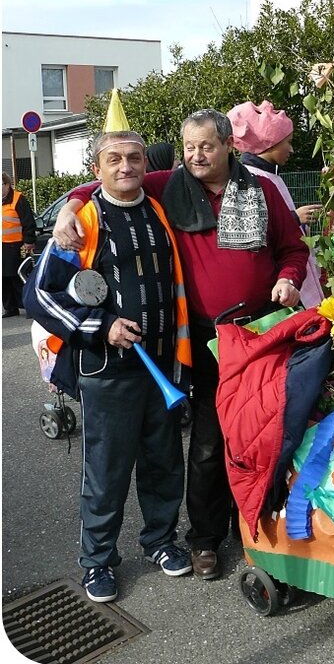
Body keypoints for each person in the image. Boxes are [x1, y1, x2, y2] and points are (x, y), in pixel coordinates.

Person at [52, 108, 309, 582]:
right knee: (209, 442)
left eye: (206, 146)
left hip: (262, 331)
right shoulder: (169, 183)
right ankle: (205, 538)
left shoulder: (264, 189)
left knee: (266, 432)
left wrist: (290, 278)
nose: (195, 155)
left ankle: (258, 525)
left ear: (230, 145)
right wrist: (69, 205)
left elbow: (294, 248)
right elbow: (112, 180)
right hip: (207, 338)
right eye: (188, 146)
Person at [23, 127, 193, 603]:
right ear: (96, 168)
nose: (126, 167)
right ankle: (97, 561)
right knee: (106, 470)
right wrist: (99, 326)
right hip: (106, 371)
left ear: (146, 164)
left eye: (134, 158)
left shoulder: (159, 208)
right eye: (114, 159)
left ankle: (160, 540)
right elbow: (37, 296)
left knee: (163, 462)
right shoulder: (80, 222)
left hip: (162, 365)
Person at [227, 99, 323, 308]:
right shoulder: (250, 178)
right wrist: (294, 218)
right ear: (269, 143)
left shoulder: (270, 175)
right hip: (279, 285)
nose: (292, 149)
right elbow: (253, 229)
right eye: (287, 143)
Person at [2, 171, 36, 318]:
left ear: (7, 184)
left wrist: (29, 241)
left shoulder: (18, 199)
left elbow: (28, 222)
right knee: (3, 280)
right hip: (2, 246)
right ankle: (10, 308)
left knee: (18, 278)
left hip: (17, 246)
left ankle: (30, 307)